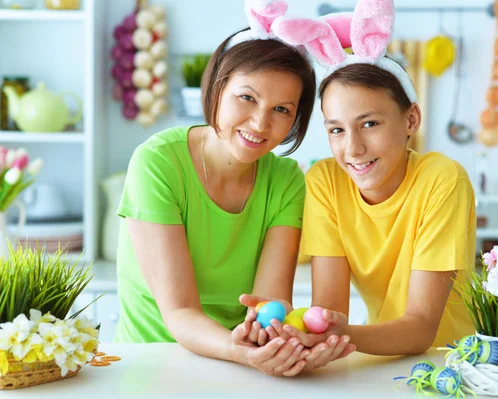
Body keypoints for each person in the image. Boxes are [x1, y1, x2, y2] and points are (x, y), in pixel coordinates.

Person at [114, 0, 352, 377]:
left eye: (282, 110)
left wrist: (274, 338)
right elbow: (180, 313)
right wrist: (240, 350)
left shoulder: (286, 180)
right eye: (247, 97)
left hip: (238, 365)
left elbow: (268, 304)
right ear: (217, 87)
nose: (260, 123)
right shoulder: (157, 163)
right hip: (152, 361)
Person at [242, 0, 475, 357]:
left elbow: (421, 328)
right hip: (381, 361)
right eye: (336, 130)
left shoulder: (441, 180)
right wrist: (304, 329)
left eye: (369, 124)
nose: (353, 148)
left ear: (411, 119)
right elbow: (331, 313)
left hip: (455, 361)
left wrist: (339, 336)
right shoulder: (325, 181)